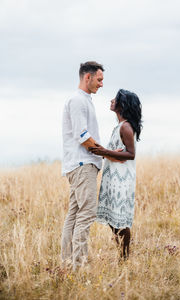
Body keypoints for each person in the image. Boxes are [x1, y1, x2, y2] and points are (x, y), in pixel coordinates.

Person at [61, 61, 105, 271]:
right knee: (86, 214)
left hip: (78, 164)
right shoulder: (77, 100)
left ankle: (67, 263)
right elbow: (82, 136)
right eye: (99, 79)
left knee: (75, 214)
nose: (101, 84)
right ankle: (78, 266)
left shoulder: (83, 100)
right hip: (82, 164)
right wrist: (105, 153)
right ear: (87, 77)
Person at [89, 89, 142, 259]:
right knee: (113, 220)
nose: (111, 100)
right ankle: (122, 255)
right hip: (112, 177)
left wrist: (104, 151)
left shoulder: (126, 126)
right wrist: (105, 153)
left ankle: (124, 257)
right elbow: (115, 152)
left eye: (115, 99)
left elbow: (130, 154)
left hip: (121, 179)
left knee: (120, 220)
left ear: (122, 104)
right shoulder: (119, 126)